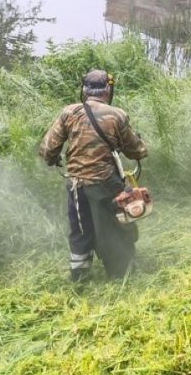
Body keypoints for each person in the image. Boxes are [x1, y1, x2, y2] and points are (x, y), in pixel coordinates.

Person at [38, 69, 148, 282]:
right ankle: (119, 274)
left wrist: (54, 159)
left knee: (80, 230)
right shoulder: (117, 115)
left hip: (75, 185)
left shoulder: (68, 113)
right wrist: (140, 146)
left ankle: (79, 277)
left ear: (85, 90)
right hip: (106, 184)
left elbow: (48, 148)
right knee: (114, 227)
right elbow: (137, 151)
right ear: (108, 90)